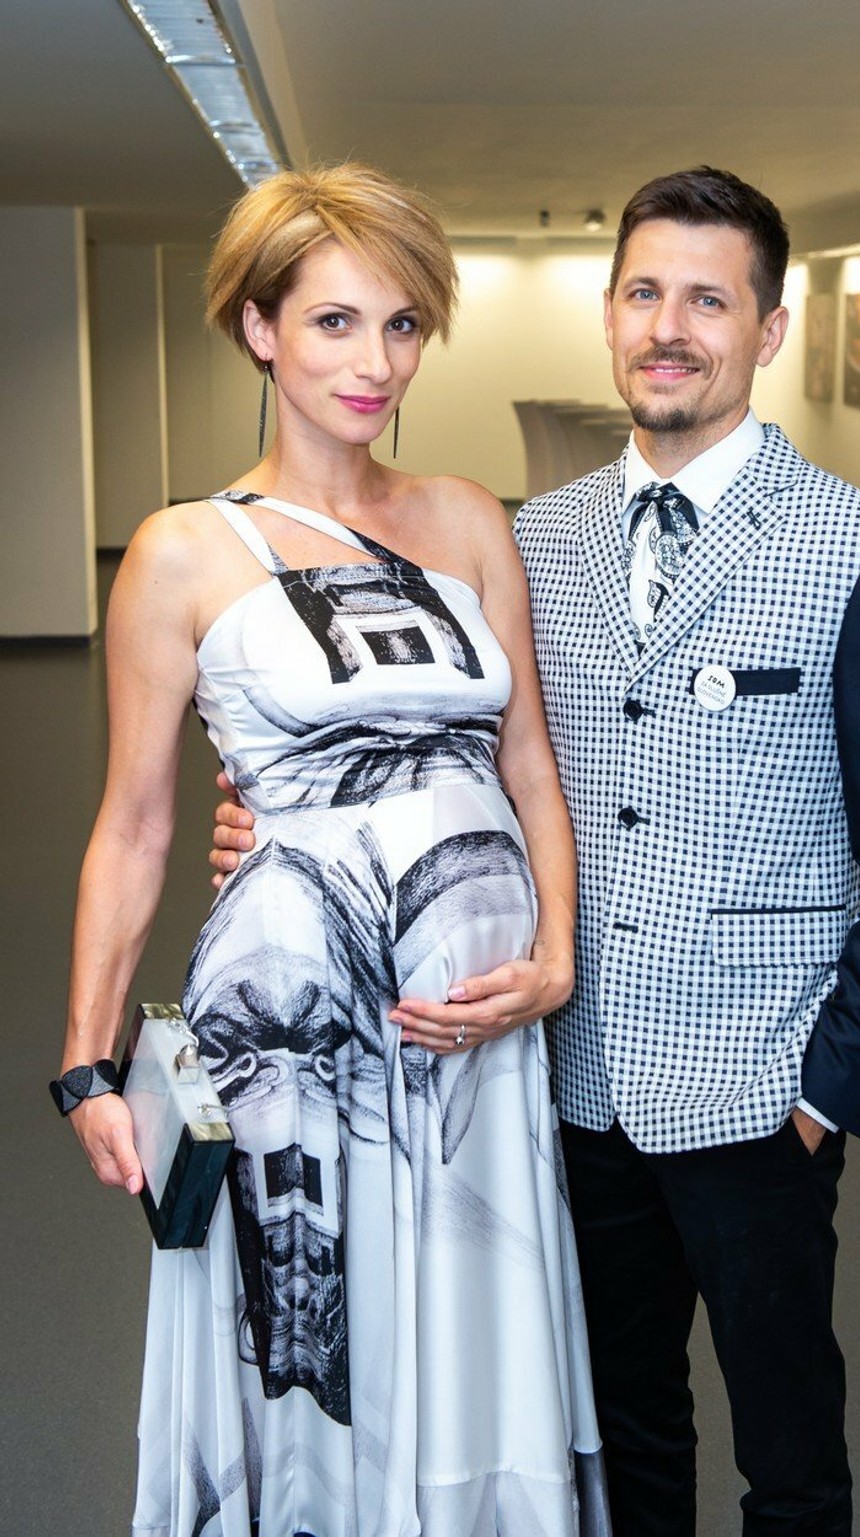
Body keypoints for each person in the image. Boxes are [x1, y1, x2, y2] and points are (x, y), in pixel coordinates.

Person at [211, 167, 860, 1537]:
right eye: (644, 294)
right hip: (565, 1083)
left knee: (790, 1458)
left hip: (761, 1094)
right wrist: (282, 831)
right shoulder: (530, 539)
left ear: (769, 330)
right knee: (623, 1437)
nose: (669, 328)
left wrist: (827, 1097)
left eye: (708, 301)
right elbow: (457, 768)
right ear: (610, 315)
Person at [52, 164, 611, 1537]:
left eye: (403, 325)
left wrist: (554, 954)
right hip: (293, 1024)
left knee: (466, 1322)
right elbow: (136, 823)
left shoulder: (469, 517)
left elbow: (529, 766)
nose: (376, 363)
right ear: (260, 328)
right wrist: (85, 1062)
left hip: (475, 1029)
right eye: (336, 322)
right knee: (309, 1345)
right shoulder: (183, 551)